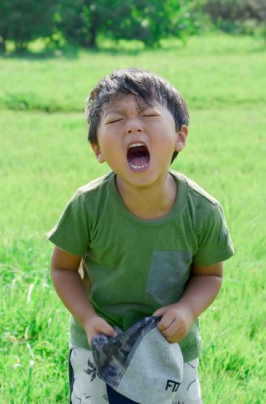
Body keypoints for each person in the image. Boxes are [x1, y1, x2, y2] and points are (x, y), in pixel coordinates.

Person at [48, 68, 234, 403]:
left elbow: (211, 275)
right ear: (97, 148)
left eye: (148, 116)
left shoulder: (202, 211)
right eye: (116, 121)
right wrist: (88, 320)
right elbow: (62, 269)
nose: (133, 125)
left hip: (170, 346)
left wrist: (188, 310)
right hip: (100, 346)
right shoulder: (88, 206)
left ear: (180, 136)